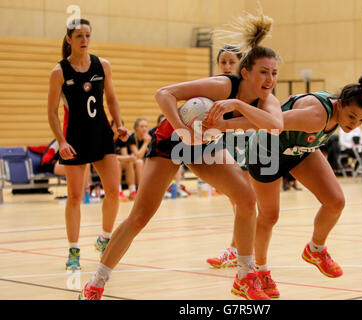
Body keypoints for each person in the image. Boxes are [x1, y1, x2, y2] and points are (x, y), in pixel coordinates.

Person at [80, 10, 282, 300]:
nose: (270, 79)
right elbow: (163, 94)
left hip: (205, 143)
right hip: (172, 139)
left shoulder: (266, 100)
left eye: (274, 73)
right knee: (140, 216)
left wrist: (230, 113)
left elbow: (275, 126)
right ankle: (96, 283)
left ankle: (244, 275)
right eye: (264, 72)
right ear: (246, 73)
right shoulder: (222, 85)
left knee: (247, 198)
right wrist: (182, 129)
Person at [245, 75, 362, 298]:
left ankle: (315, 250)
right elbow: (268, 120)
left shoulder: (337, 115)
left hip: (298, 149)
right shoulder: (316, 115)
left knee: (336, 202)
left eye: (361, 121)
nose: (353, 124)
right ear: (340, 103)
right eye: (351, 116)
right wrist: (226, 122)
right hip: (266, 151)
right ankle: (260, 271)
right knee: (269, 216)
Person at [47, 19, 129, 271]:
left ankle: (104, 239)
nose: (84, 40)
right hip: (74, 139)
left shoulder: (102, 65)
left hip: (102, 135)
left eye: (87, 35)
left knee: (114, 191)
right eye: (79, 35)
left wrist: (119, 123)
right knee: (74, 196)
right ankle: (73, 250)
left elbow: (112, 98)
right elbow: (51, 112)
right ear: (69, 39)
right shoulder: (59, 72)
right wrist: (61, 141)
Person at [205, 45, 245, 268]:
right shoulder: (214, 87)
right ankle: (239, 248)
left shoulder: (246, 90)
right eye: (223, 62)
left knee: (243, 200)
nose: (227, 66)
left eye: (232, 62)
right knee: (237, 199)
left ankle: (238, 249)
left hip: (250, 143)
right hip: (225, 144)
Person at [111, 120, 137, 201]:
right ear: (111, 127)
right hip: (104, 162)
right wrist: (128, 157)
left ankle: (132, 191)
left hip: (115, 162)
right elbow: (111, 157)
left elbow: (124, 155)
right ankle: (118, 192)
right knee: (117, 162)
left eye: (120, 126)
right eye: (116, 126)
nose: (118, 128)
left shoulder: (121, 138)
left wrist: (129, 158)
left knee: (128, 163)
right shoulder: (107, 138)